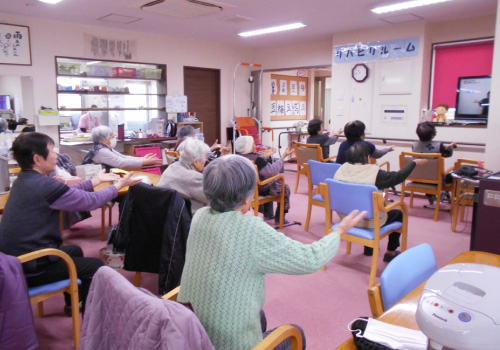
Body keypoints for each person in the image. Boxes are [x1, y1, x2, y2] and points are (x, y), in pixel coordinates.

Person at [177, 154, 367, 350]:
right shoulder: (251, 231)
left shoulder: (199, 216)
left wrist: (243, 215)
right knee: (295, 333)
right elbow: (311, 259)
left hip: (192, 334)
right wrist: (339, 231)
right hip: (230, 344)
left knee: (261, 317)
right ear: (246, 199)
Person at [0, 132, 142, 314]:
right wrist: (119, 185)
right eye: (52, 151)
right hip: (30, 266)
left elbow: (67, 191)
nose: (56, 155)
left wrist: (96, 180)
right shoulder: (44, 185)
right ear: (37, 158)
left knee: (74, 250)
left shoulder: (25, 180)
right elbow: (90, 201)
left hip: (14, 262)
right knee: (95, 267)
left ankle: (73, 305)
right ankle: (92, 317)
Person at [334, 142, 428, 262]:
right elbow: (398, 176)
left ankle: (369, 249)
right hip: (369, 220)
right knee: (398, 213)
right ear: (368, 157)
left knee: (365, 207)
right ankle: (391, 252)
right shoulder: (374, 173)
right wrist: (413, 163)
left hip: (346, 218)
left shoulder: (340, 169)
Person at [234, 135, 294, 224]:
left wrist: (264, 156)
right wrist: (283, 157)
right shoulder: (257, 159)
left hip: (243, 189)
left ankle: (268, 214)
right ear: (249, 147)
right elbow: (272, 171)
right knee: (283, 187)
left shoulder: (236, 158)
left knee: (269, 182)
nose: (255, 146)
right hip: (257, 189)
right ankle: (280, 219)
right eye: (253, 144)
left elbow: (256, 164)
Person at [157, 137, 211, 213]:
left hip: (167, 215)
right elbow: (215, 198)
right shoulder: (194, 178)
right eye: (206, 158)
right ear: (196, 162)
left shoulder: (172, 167)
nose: (206, 161)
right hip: (188, 219)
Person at [412, 121, 457, 204]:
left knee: (427, 170)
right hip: (435, 179)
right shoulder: (439, 146)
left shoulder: (414, 145)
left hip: (418, 178)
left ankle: (430, 194)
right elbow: (447, 154)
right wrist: (450, 147)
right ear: (433, 135)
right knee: (454, 173)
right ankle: (457, 197)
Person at [82, 125, 163, 170]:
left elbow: (122, 157)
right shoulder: (102, 151)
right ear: (103, 140)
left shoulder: (105, 148)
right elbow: (121, 163)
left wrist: (142, 159)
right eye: (112, 136)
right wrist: (144, 162)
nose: (114, 138)